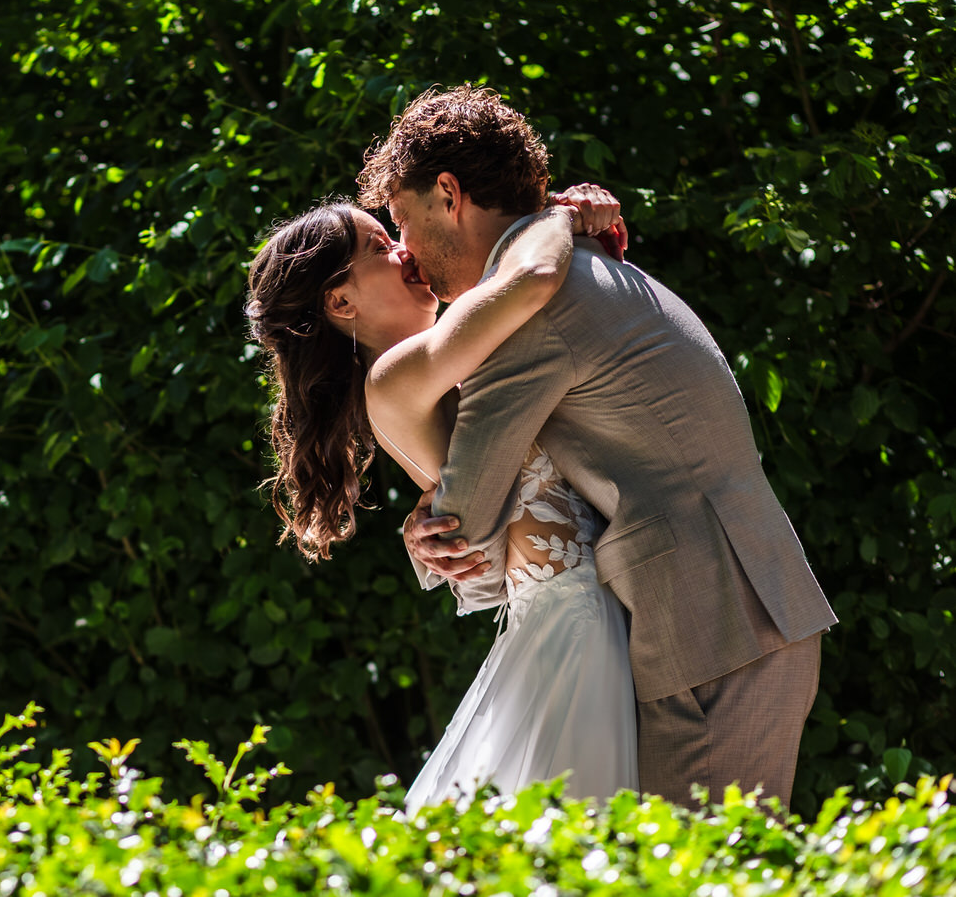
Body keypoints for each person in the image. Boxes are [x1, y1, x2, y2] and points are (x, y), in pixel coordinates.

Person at [360, 84, 837, 809]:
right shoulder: (584, 265)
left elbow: (472, 532)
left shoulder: (525, 312)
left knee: (693, 879)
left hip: (712, 625)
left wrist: (434, 532)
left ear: (448, 194)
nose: (408, 252)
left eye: (403, 220)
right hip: (741, 607)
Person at [245, 187, 640, 802]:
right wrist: (560, 214)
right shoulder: (396, 374)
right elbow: (530, 278)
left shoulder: (436, 369)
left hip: (580, 613)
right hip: (576, 622)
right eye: (379, 245)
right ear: (341, 300)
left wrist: (429, 515)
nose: (403, 249)